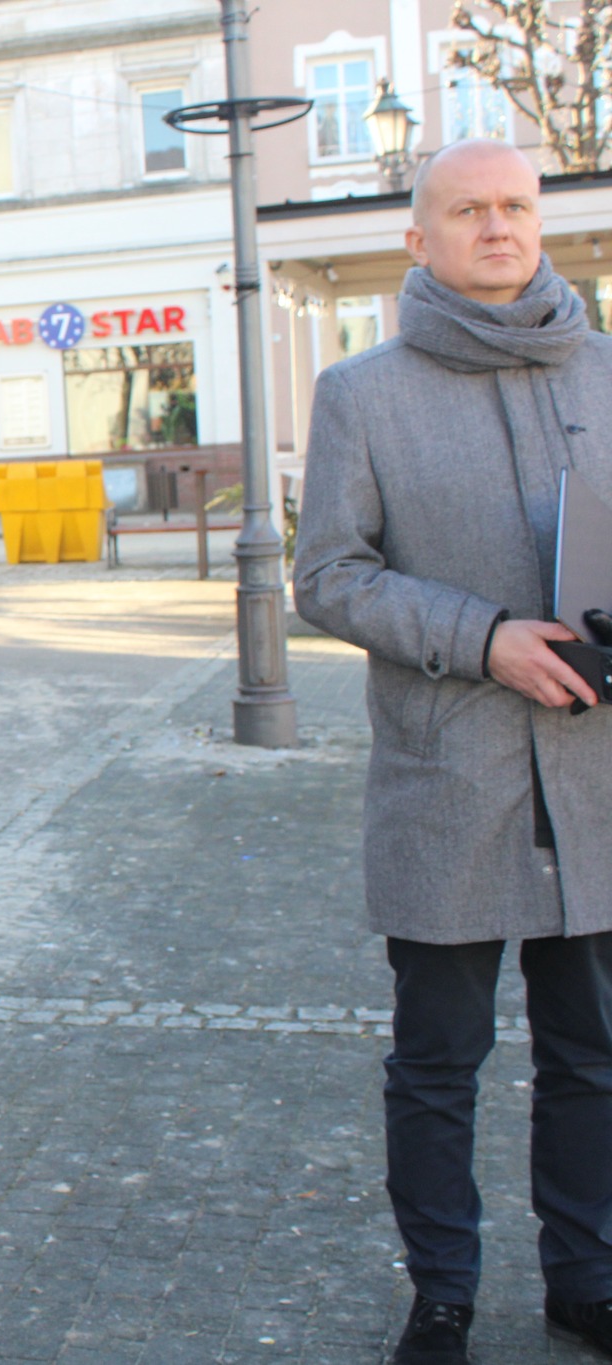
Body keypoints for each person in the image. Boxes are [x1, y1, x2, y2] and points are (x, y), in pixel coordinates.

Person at [294, 139, 612, 1364]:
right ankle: (441, 1294)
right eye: (467, 209)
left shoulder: (603, 370)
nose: (496, 227)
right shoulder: (360, 393)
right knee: (437, 1061)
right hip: (449, 773)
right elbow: (328, 575)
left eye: (514, 206)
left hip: (595, 773)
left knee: (592, 1051)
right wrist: (481, 639)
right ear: (415, 238)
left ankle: (586, 1278)